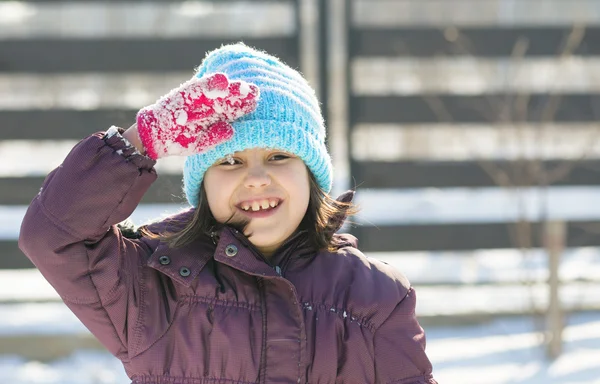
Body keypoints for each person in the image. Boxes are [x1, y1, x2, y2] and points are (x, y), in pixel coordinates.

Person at [19, 43, 437, 383]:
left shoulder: (375, 297)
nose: (255, 178)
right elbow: (53, 236)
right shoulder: (152, 285)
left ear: (311, 174)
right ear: (202, 185)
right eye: (230, 162)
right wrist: (138, 143)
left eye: (277, 156)